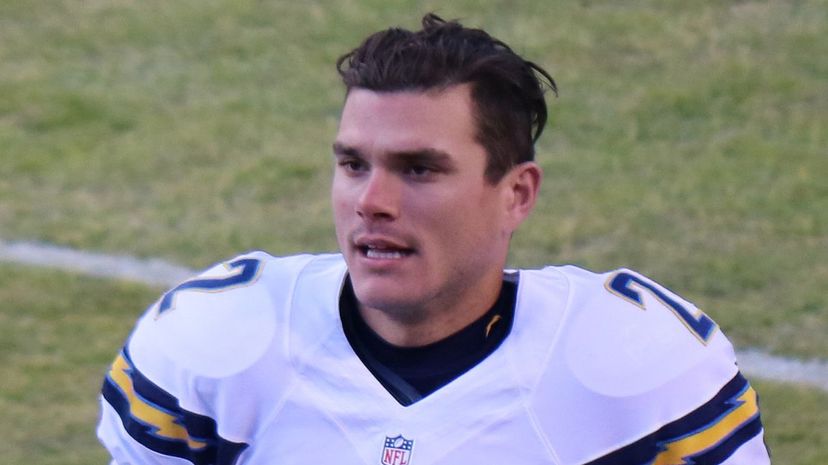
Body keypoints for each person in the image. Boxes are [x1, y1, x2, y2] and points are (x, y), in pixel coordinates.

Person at [97, 13, 771, 465]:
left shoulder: (635, 367)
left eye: (419, 169)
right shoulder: (216, 345)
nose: (373, 202)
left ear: (517, 193)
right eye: (353, 164)